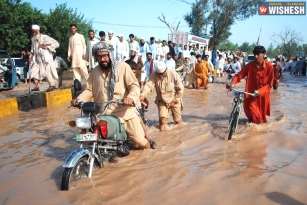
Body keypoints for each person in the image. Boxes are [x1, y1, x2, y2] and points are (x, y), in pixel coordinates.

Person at [71, 41, 151, 149]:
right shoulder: (95, 72)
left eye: (104, 55)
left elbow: (134, 86)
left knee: (140, 142)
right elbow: (89, 90)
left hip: (125, 113)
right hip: (103, 114)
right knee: (91, 139)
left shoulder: (123, 67)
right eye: (99, 56)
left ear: (110, 55)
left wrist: (130, 98)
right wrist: (78, 99)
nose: (102, 59)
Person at [226, 46, 274, 124]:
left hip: (262, 96)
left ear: (264, 54)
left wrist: (260, 91)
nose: (255, 56)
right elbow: (239, 75)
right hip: (251, 95)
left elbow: (269, 84)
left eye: (258, 54)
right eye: (255, 54)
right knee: (254, 116)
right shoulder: (250, 65)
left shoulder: (269, 66)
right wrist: (232, 83)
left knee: (261, 120)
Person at [140, 61, 184, 131]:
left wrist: (174, 100)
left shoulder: (173, 74)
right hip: (162, 100)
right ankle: (163, 139)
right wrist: (142, 95)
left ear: (165, 70)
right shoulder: (154, 74)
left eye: (162, 74)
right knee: (162, 121)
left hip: (174, 99)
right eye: (158, 74)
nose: (160, 75)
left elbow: (180, 89)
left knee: (177, 121)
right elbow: (148, 85)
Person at [124, 59, 157, 149]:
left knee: (141, 135)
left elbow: (137, 94)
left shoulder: (134, 82)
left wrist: (142, 100)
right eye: (131, 72)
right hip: (124, 110)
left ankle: (147, 140)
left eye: (134, 72)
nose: (133, 75)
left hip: (136, 110)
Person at [30, 24, 59, 91]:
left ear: (38, 30)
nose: (34, 33)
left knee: (48, 72)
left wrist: (45, 47)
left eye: (35, 31)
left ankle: (51, 86)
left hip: (46, 59)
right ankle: (36, 86)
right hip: (37, 59)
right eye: (33, 31)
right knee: (34, 71)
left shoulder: (45, 37)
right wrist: (31, 57)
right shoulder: (33, 39)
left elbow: (57, 44)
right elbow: (32, 50)